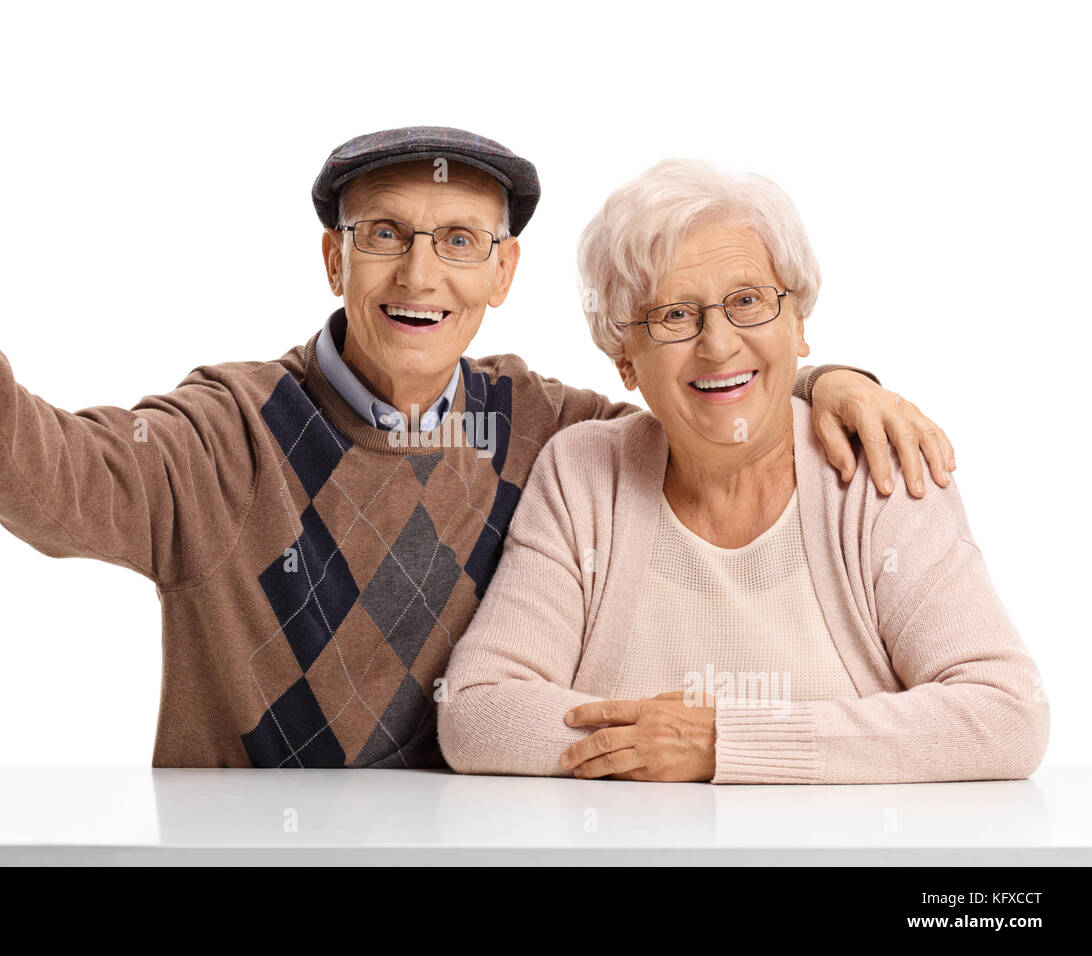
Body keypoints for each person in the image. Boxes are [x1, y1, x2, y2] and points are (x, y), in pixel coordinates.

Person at [0, 129, 955, 769]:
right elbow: (53, 478)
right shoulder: (226, 434)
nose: (421, 275)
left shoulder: (548, 435)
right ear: (334, 258)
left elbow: (694, 387)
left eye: (459, 241)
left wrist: (823, 377)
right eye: (384, 237)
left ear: (502, 275)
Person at [437, 158, 1047, 784]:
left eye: (748, 301)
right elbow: (478, 710)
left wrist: (724, 742)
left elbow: (1006, 715)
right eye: (674, 315)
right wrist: (662, 742)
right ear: (625, 360)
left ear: (799, 323)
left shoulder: (877, 470)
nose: (719, 343)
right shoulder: (585, 472)